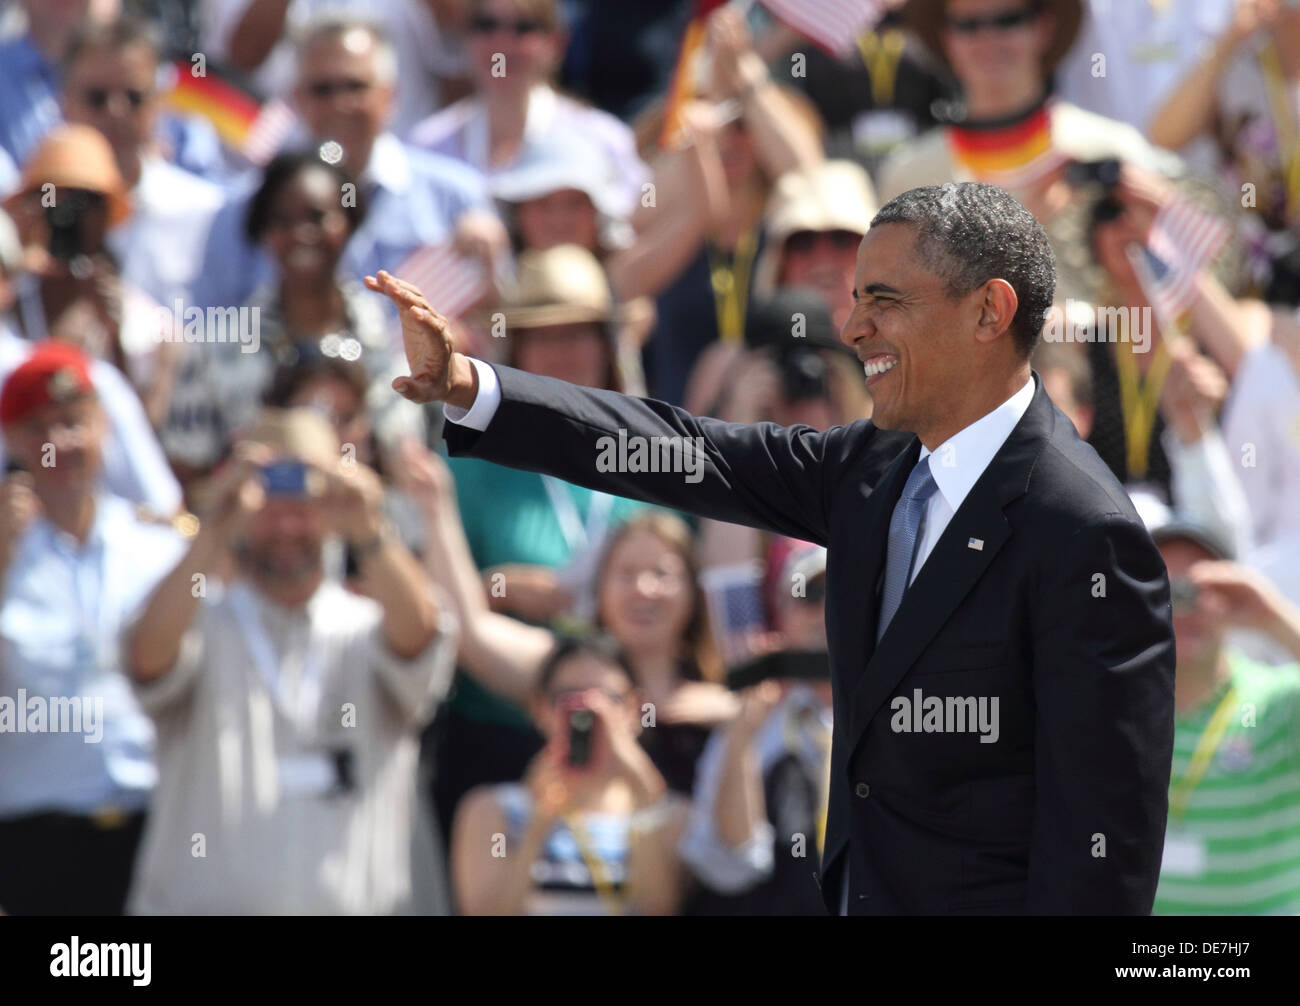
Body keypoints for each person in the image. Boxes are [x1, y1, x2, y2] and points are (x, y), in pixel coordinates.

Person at [369, 178, 1176, 915]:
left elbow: (1102, 851)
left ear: (989, 312)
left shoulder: (1083, 531)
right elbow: (686, 451)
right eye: (857, 300)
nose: (853, 327)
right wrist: (475, 388)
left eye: (885, 301)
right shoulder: (873, 467)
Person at [122, 407, 457, 914]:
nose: (287, 524)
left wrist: (369, 529)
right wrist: (213, 530)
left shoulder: (365, 625)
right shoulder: (203, 620)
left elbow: (424, 637)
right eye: (269, 504)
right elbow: (147, 655)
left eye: (305, 502)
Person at [0, 341, 189, 915]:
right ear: (12, 440)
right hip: (36, 837)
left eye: (75, 421)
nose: (64, 443)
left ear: (104, 424)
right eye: (41, 427)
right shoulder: (5, 551)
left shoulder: (159, 547)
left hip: (156, 824)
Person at [193, 14, 493, 313]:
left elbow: (499, 324)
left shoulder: (456, 198)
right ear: (297, 99)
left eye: (355, 86)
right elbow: (214, 329)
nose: (340, 104)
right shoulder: (245, 209)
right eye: (323, 89)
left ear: (389, 95)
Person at [162, 150, 422, 480]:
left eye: (316, 217)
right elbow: (186, 474)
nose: (300, 234)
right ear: (264, 232)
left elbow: (407, 466)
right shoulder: (218, 344)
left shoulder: (388, 339)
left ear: (348, 223)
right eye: (282, 221)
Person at [450, 633, 690, 915]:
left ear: (634, 708)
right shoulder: (492, 809)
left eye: (607, 700)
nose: (586, 717)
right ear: (539, 709)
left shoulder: (670, 813)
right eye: (569, 700)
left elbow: (659, 908)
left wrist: (643, 790)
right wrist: (535, 826)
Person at [1146, 516, 1300, 915]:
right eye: (1163, 588)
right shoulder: (1110, 711)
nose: (1182, 607)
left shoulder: (1276, 703)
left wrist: (1275, 619)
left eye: (1198, 590)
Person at [60, 17, 225, 309]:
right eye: (97, 98)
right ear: (65, 101)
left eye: (134, 97)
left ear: (157, 103)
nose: (117, 111)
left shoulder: (206, 212)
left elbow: (218, 331)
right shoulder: (29, 208)